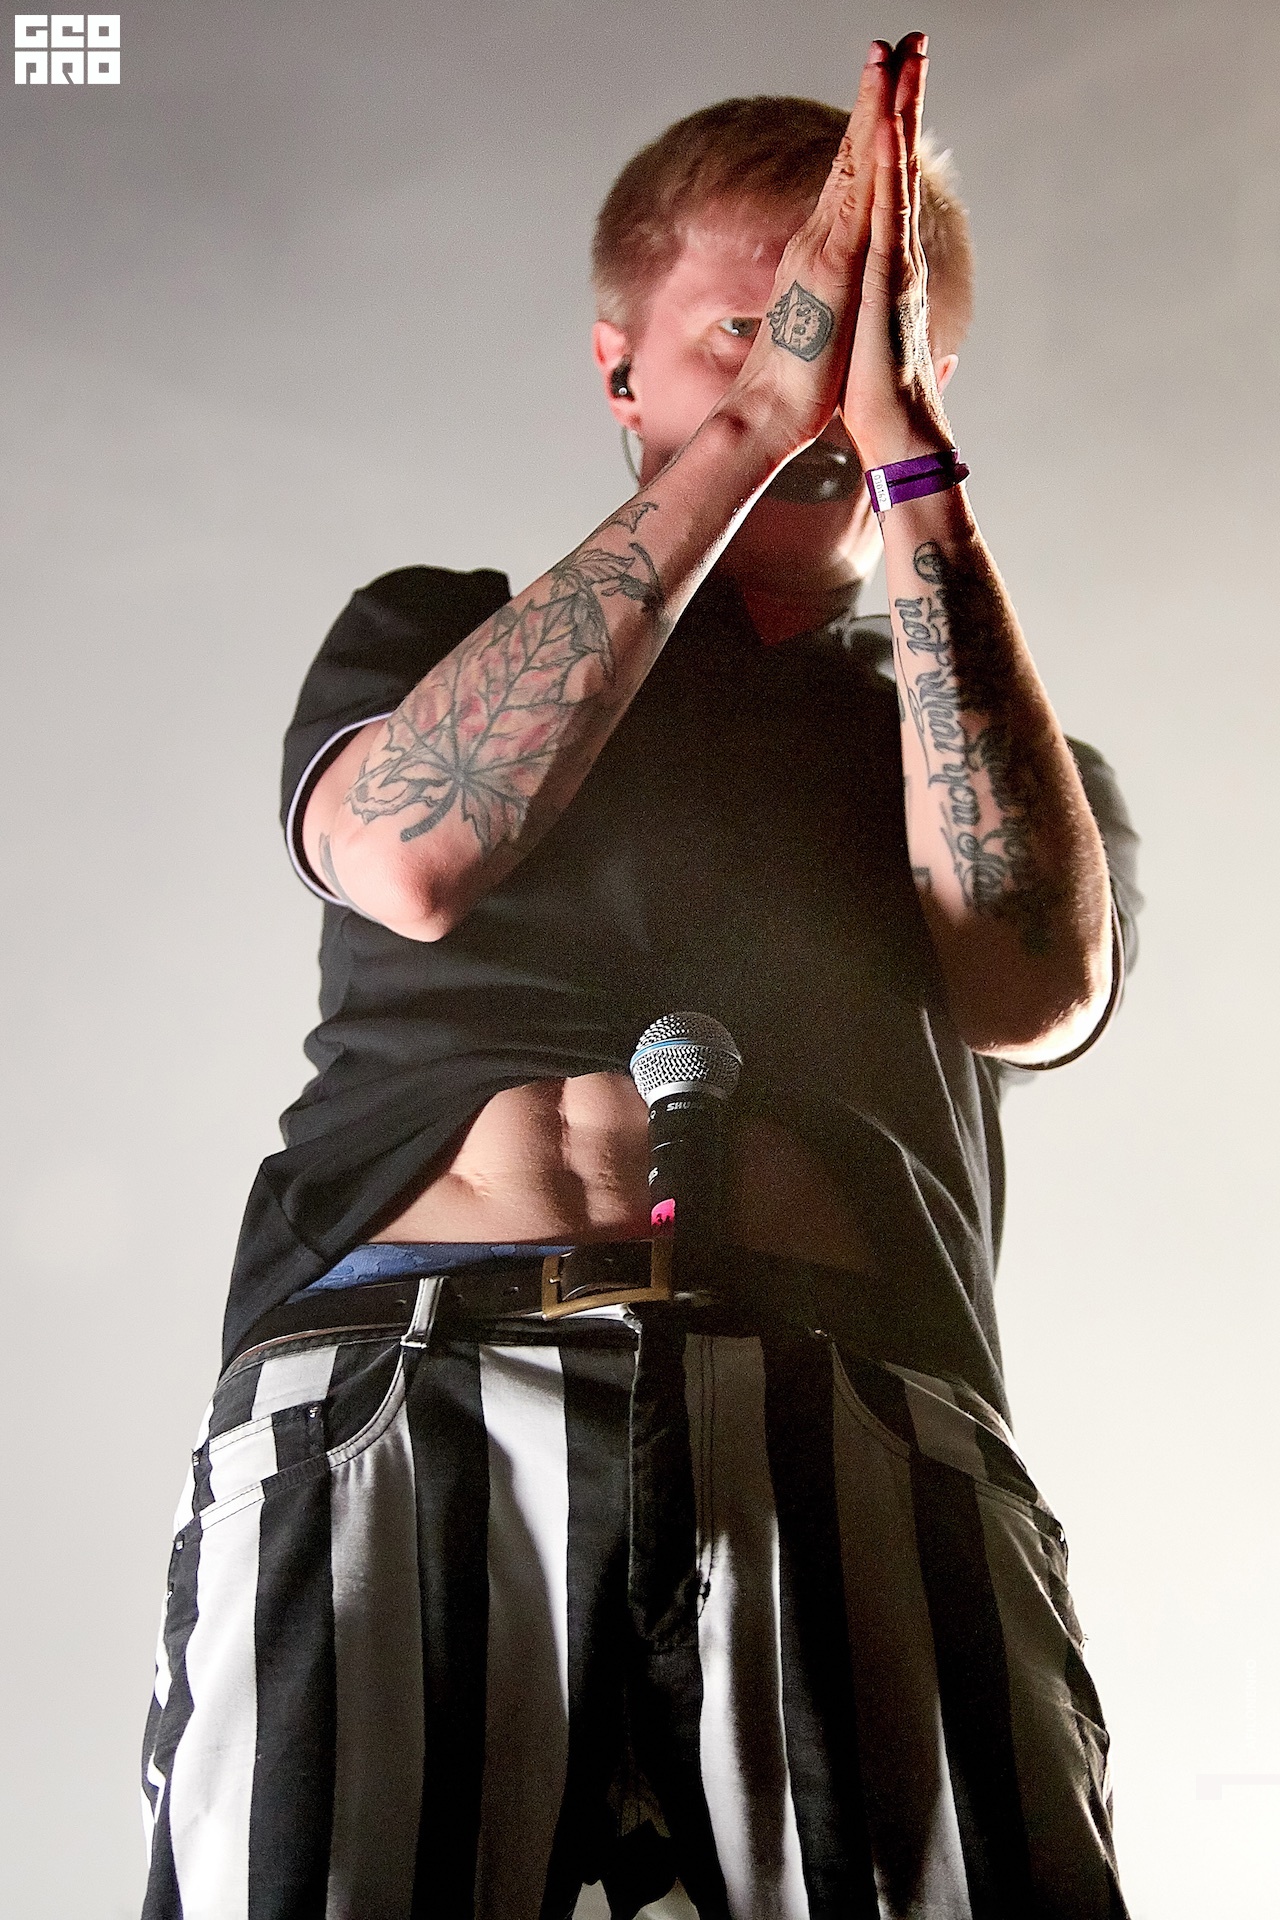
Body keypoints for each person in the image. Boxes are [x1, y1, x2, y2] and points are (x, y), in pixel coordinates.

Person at [139, 34, 1141, 1920]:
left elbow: (1033, 985)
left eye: (866, 339)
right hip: (406, 1387)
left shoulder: (974, 737)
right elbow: (411, 855)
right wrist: (756, 431)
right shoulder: (437, 633)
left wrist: (904, 454)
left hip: (852, 1409)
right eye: (751, 331)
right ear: (619, 369)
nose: (813, 375)